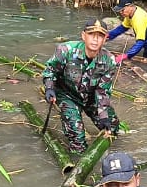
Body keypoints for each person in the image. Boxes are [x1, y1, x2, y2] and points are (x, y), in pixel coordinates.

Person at [41, 18, 120, 153]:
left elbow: (103, 91)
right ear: (83, 35)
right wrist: (49, 88)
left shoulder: (109, 61)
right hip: (67, 95)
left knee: (112, 128)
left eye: (100, 36)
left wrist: (103, 116)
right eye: (91, 35)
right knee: (78, 139)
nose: (95, 40)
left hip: (91, 97)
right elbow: (50, 71)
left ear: (105, 39)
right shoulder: (66, 50)